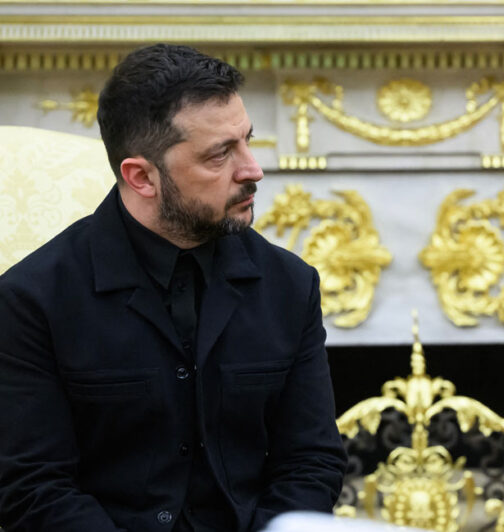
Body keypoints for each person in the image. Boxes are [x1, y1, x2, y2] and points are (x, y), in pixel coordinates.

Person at [0, 44, 346, 531]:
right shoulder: (31, 299)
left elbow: (311, 461)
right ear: (142, 177)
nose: (252, 169)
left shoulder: (291, 285)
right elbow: (33, 487)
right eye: (220, 154)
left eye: (247, 140)